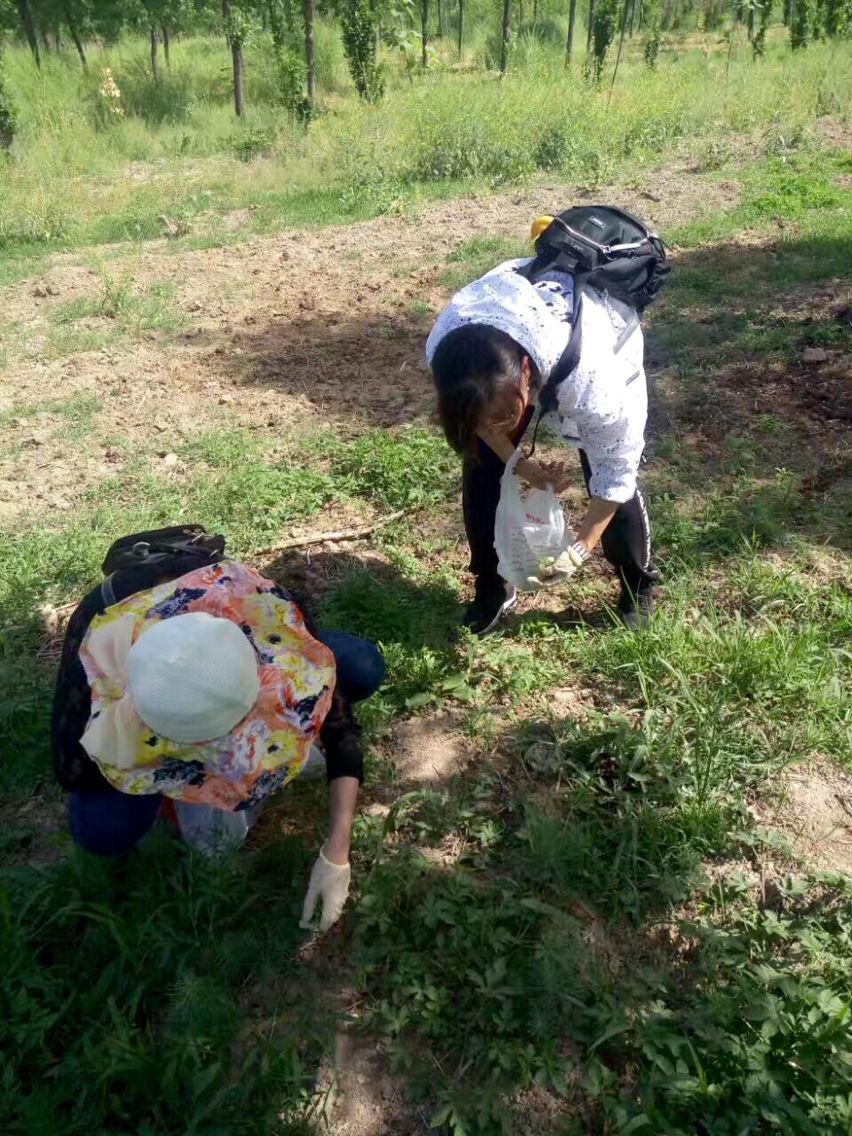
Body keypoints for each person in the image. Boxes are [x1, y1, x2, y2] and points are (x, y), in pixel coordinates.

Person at [51, 546, 385, 933]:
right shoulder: (95, 672)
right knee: (102, 829)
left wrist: (337, 852)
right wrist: (151, 774)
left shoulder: (256, 605)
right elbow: (74, 773)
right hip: (129, 697)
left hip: (229, 628)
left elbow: (341, 730)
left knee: (361, 665)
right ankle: (163, 805)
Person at [426, 235, 660, 636]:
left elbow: (615, 469)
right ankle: (492, 584)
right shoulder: (446, 349)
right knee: (481, 462)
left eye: (505, 415)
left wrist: (580, 549)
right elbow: (479, 422)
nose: (495, 426)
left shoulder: (593, 378)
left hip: (598, 330)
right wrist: (520, 465)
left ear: (526, 374)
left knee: (604, 474)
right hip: (513, 320)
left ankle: (636, 584)